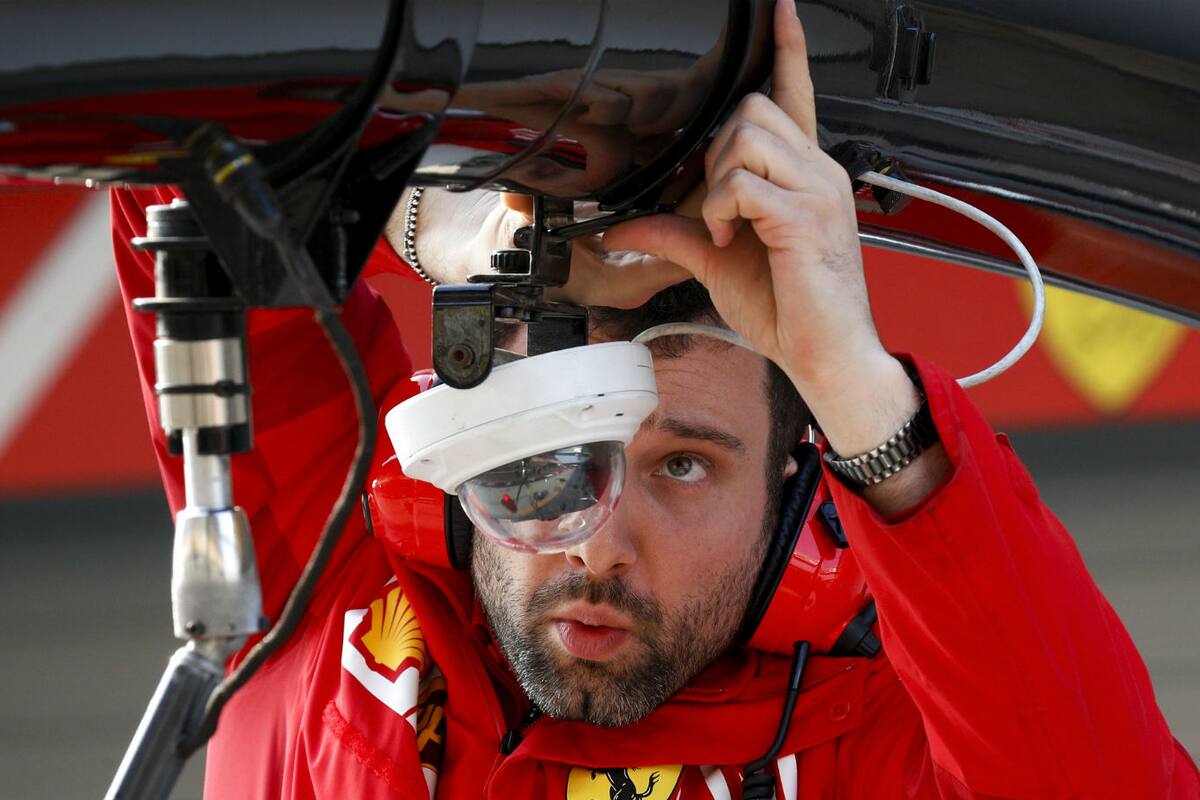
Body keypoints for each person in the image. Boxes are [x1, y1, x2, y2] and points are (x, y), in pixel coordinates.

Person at [111, 2, 1198, 797]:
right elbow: (186, 131)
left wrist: (862, 389)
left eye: (684, 461)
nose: (598, 545)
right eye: (551, 438)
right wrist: (419, 220)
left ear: (795, 463)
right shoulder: (329, 539)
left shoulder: (879, 744)